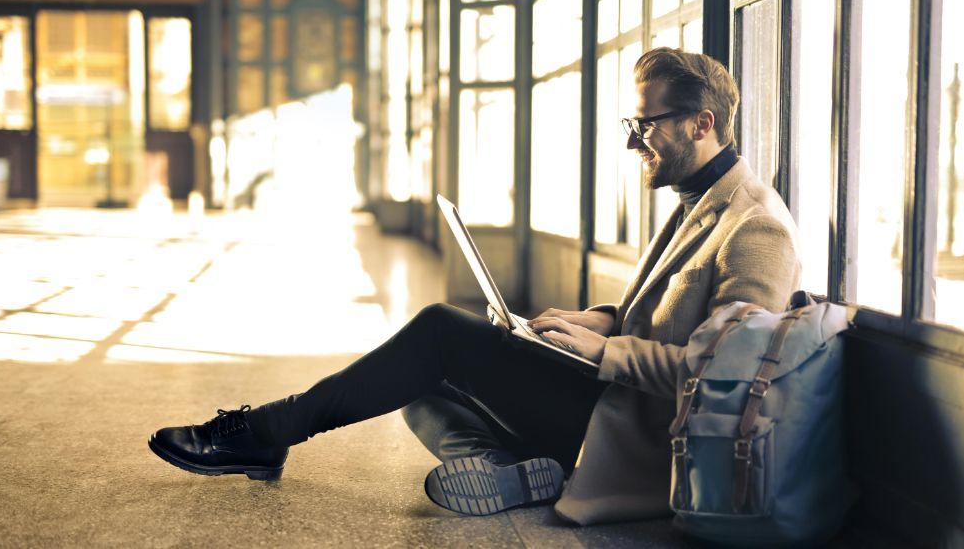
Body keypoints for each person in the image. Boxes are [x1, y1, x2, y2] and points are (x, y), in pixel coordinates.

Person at [148, 47, 801, 524]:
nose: (634, 142)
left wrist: (600, 351)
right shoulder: (701, 197)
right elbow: (664, 315)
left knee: (438, 331)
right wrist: (595, 320)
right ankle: (504, 468)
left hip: (635, 435)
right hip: (606, 399)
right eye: (631, 126)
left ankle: (266, 431)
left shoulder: (754, 225)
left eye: (645, 124)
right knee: (414, 387)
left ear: (702, 122)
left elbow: (725, 379)